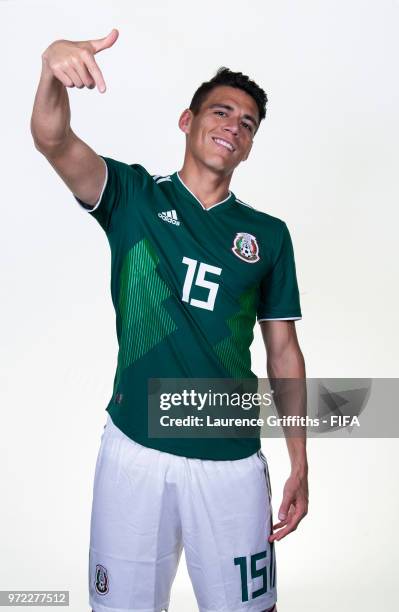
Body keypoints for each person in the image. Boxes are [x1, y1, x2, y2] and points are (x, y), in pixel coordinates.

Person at [31, 28, 309, 612]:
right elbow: (52, 139)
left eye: (249, 123)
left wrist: (299, 462)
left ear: (251, 144)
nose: (235, 125)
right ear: (187, 120)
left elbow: (283, 353)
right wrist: (51, 67)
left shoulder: (267, 236)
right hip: (135, 449)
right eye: (222, 111)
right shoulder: (130, 196)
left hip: (229, 460)